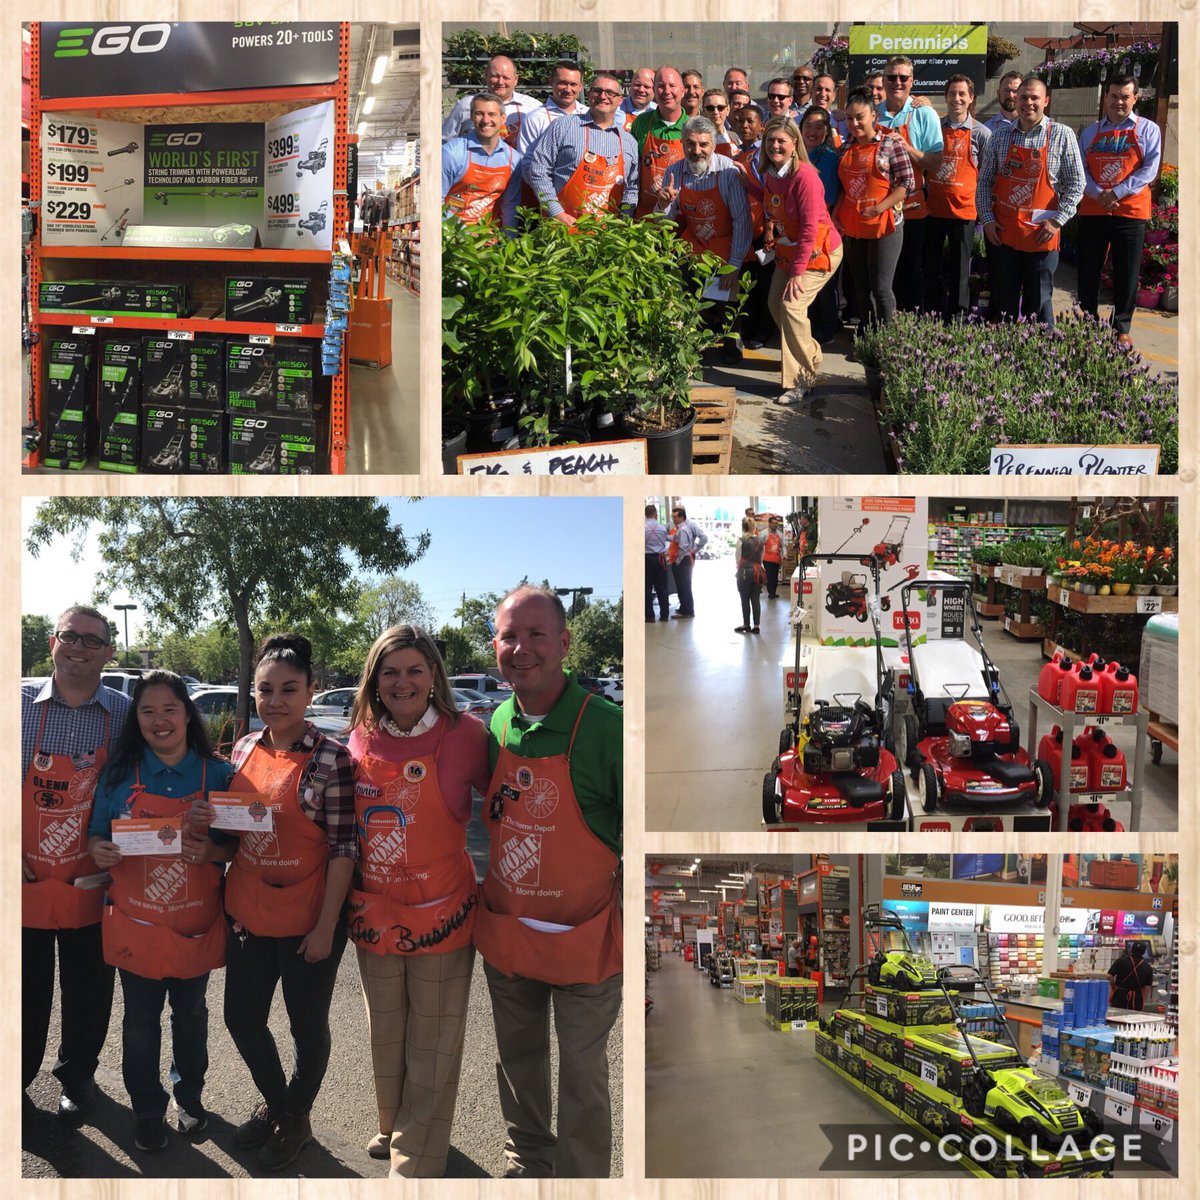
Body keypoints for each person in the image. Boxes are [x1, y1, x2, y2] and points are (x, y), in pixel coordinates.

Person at [475, 586, 623, 1177]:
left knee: (583, 1074)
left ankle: (583, 1177)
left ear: (563, 642)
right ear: (496, 647)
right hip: (511, 935)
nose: (522, 648)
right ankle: (528, 1158)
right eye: (510, 635)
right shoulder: (496, 724)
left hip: (585, 939)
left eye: (537, 634)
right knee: (518, 1059)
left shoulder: (607, 728)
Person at [344, 625, 490, 1177]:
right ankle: (394, 1124)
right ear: (374, 680)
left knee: (432, 1037)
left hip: (442, 914)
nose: (402, 682)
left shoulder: (467, 735)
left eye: (414, 670)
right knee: (387, 1029)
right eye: (390, 671)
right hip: (374, 909)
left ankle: (416, 1162)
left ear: (434, 676)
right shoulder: (358, 737)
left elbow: (509, 806)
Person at [222, 635, 357, 1172]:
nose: (276, 700)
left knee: (306, 1026)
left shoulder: (332, 760)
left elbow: (345, 849)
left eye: (289, 689)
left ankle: (294, 1114)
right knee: (241, 1018)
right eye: (265, 690)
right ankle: (283, 1107)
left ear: (311, 692)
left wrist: (327, 927)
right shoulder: (243, 748)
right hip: (249, 913)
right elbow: (233, 835)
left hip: (309, 917)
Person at [87, 672, 234, 1153]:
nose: (159, 720)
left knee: (191, 1016)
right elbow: (95, 835)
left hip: (194, 923)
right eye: (147, 711)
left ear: (188, 714)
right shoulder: (118, 774)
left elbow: (236, 847)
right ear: (137, 719)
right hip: (137, 924)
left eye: (169, 709)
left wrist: (209, 849)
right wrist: (101, 850)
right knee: (139, 1023)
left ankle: (189, 1100)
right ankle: (147, 1109)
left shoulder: (220, 775)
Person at [23, 606, 131, 1125]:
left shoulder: (126, 713)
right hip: (23, 878)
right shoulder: (15, 706)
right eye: (71, 637)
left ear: (108, 652)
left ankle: (77, 1076)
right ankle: (14, 1076)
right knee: (22, 990)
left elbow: (149, 781)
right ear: (52, 643)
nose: (80, 647)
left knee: (88, 989)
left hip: (93, 876)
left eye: (93, 641)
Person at [978, 76, 1084, 326]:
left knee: (1039, 305)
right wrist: (988, 219)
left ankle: (1040, 356)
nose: (1028, 103)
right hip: (1003, 234)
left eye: (1034, 97)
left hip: (1041, 235)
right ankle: (1004, 355)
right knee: (1004, 302)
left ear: (1046, 101)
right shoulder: (1000, 136)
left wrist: (1057, 222)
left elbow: (1077, 184)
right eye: (1023, 97)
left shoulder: (1061, 135)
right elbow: (983, 182)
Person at [655, 116, 752, 362]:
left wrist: (734, 265)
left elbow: (742, 220)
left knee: (729, 301)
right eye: (690, 144)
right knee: (692, 297)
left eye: (703, 145)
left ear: (713, 145)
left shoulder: (727, 170)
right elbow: (662, 222)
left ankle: (732, 341)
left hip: (727, 244)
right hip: (695, 244)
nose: (697, 151)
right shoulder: (674, 171)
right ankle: (695, 342)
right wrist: (663, 204)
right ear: (682, 143)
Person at [760, 115, 843, 404]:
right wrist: (770, 225)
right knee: (774, 304)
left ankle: (801, 380)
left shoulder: (805, 176)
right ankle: (810, 353)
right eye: (770, 140)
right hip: (791, 250)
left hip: (818, 251)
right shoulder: (772, 172)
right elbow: (773, 205)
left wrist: (797, 273)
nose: (775, 145)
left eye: (781, 140)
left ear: (795, 143)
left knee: (791, 306)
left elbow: (810, 228)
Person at [1077, 73, 1161, 351]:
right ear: (1106, 98)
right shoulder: (1090, 132)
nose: (1118, 101)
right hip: (1093, 210)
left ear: (1135, 98)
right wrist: (1098, 193)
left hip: (1130, 212)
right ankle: (1088, 323)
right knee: (1088, 270)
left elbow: (1150, 169)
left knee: (1127, 272)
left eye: (1125, 96)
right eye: (1113, 96)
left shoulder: (1148, 130)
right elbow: (1082, 170)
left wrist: (1117, 192)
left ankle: (1121, 327)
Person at [834, 90, 912, 330]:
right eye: (849, 118)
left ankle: (887, 341)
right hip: (854, 227)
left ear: (873, 117)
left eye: (860, 117)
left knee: (881, 288)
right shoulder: (844, 148)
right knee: (861, 287)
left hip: (885, 225)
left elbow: (907, 184)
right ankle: (867, 337)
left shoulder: (890, 143)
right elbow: (843, 189)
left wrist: (880, 207)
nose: (854, 123)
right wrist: (836, 214)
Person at [875, 56, 943, 312]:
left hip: (912, 207)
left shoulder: (924, 114)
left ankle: (908, 329)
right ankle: (880, 325)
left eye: (903, 77)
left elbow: (936, 162)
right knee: (881, 274)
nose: (897, 82)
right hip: (879, 207)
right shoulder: (873, 113)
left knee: (911, 271)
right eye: (891, 77)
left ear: (912, 81)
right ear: (883, 80)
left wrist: (907, 149)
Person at [524, 74, 639, 224]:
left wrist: (624, 222)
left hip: (609, 235)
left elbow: (631, 189)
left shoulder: (628, 141)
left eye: (610, 93)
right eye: (597, 91)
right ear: (589, 94)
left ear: (619, 100)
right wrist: (557, 213)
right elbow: (538, 170)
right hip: (562, 229)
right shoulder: (563, 126)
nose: (603, 96)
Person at [923, 74, 991, 319]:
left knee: (961, 269)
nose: (957, 98)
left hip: (964, 212)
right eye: (952, 93)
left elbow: (987, 174)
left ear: (971, 98)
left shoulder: (981, 134)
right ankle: (929, 314)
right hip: (933, 210)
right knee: (930, 267)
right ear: (945, 97)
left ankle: (958, 318)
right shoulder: (934, 129)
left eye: (962, 94)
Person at [442, 93, 523, 230]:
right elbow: (436, 202)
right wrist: (464, 233)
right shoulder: (451, 153)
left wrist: (508, 241)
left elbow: (510, 205)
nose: (486, 120)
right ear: (472, 117)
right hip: (453, 237)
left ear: (503, 118)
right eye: (480, 113)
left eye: (492, 114)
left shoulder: (512, 158)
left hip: (490, 236)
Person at [800, 106, 843, 343]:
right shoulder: (794, 154)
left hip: (821, 226)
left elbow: (826, 198)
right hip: (798, 225)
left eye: (819, 127)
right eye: (808, 126)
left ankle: (825, 330)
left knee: (822, 282)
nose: (812, 131)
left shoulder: (829, 158)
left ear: (827, 131)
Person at [733, 104, 773, 349]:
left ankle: (763, 331)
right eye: (741, 121)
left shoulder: (764, 154)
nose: (745, 126)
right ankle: (748, 326)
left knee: (765, 284)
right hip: (745, 230)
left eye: (750, 121)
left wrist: (770, 226)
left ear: (761, 126)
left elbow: (771, 195)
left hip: (763, 231)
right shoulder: (738, 153)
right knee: (748, 283)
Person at [442, 55, 541, 147]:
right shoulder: (466, 105)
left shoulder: (533, 108)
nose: (500, 82)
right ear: (486, 76)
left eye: (506, 77)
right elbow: (446, 142)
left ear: (516, 79)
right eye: (495, 76)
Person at [632, 67, 688, 218]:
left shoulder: (692, 126)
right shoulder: (642, 122)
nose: (667, 91)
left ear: (683, 90)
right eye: (661, 86)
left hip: (683, 217)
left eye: (672, 85)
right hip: (646, 216)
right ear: (655, 91)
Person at [516, 61, 584, 154]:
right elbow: (526, 159)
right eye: (563, 83)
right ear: (551, 82)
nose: (568, 90)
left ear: (580, 86)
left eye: (573, 84)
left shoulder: (588, 114)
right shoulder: (535, 118)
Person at [669, 505, 707, 618]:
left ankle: (687, 611)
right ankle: (684, 608)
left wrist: (692, 552)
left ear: (682, 516)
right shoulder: (680, 528)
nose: (673, 519)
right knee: (681, 586)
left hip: (683, 560)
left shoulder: (685, 529)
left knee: (684, 585)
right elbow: (674, 538)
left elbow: (683, 548)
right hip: (682, 559)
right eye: (673, 516)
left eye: (675, 517)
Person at [734, 517, 765, 634]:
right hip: (758, 572)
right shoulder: (761, 541)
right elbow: (761, 559)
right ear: (754, 527)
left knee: (744, 599)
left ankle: (746, 624)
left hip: (744, 572)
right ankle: (756, 626)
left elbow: (738, 559)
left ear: (743, 527)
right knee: (756, 599)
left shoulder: (741, 541)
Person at [1108, 940, 1153, 1011]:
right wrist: (1143, 998)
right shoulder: (1148, 967)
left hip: (1119, 997)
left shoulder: (1120, 961)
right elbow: (1147, 987)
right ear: (1144, 952)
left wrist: (1113, 986)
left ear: (1131, 949)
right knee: (1134, 1020)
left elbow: (1110, 976)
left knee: (1117, 1018)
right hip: (1136, 1000)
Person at [645, 504, 671, 622]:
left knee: (647, 588)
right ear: (656, 514)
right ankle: (664, 615)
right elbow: (667, 539)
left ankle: (650, 616)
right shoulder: (662, 528)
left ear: (645, 514)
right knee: (662, 588)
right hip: (661, 559)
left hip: (647, 559)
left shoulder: (642, 528)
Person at [985, 70, 1023, 135]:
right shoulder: (987, 128)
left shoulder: (1029, 125)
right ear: (998, 93)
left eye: (1015, 91)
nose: (1010, 95)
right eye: (1006, 90)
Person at [702, 88, 738, 154]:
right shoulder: (699, 138)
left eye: (720, 108)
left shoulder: (734, 136)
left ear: (728, 109)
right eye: (710, 108)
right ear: (704, 111)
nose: (716, 112)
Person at [762, 514, 786, 599]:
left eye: (776, 523)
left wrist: (784, 554)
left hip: (776, 559)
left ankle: (773, 592)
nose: (775, 525)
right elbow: (759, 546)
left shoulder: (780, 534)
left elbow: (783, 545)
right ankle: (771, 593)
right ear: (769, 523)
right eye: (773, 523)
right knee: (769, 576)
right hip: (767, 559)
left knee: (775, 577)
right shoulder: (763, 534)